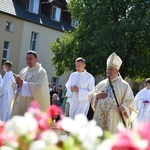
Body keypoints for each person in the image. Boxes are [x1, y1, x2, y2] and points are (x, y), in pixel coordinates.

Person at [88, 52, 137, 133]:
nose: (108, 71)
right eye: (108, 69)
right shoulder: (101, 84)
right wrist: (97, 96)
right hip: (99, 119)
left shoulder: (124, 85)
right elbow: (90, 95)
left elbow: (131, 103)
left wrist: (124, 108)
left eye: (111, 69)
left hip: (115, 120)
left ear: (117, 71)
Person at [11, 51, 50, 116]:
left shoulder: (41, 72)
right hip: (20, 102)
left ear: (36, 59)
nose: (28, 60)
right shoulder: (24, 70)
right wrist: (17, 83)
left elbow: (40, 88)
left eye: (30, 58)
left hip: (31, 105)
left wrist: (24, 84)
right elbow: (17, 86)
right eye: (27, 58)